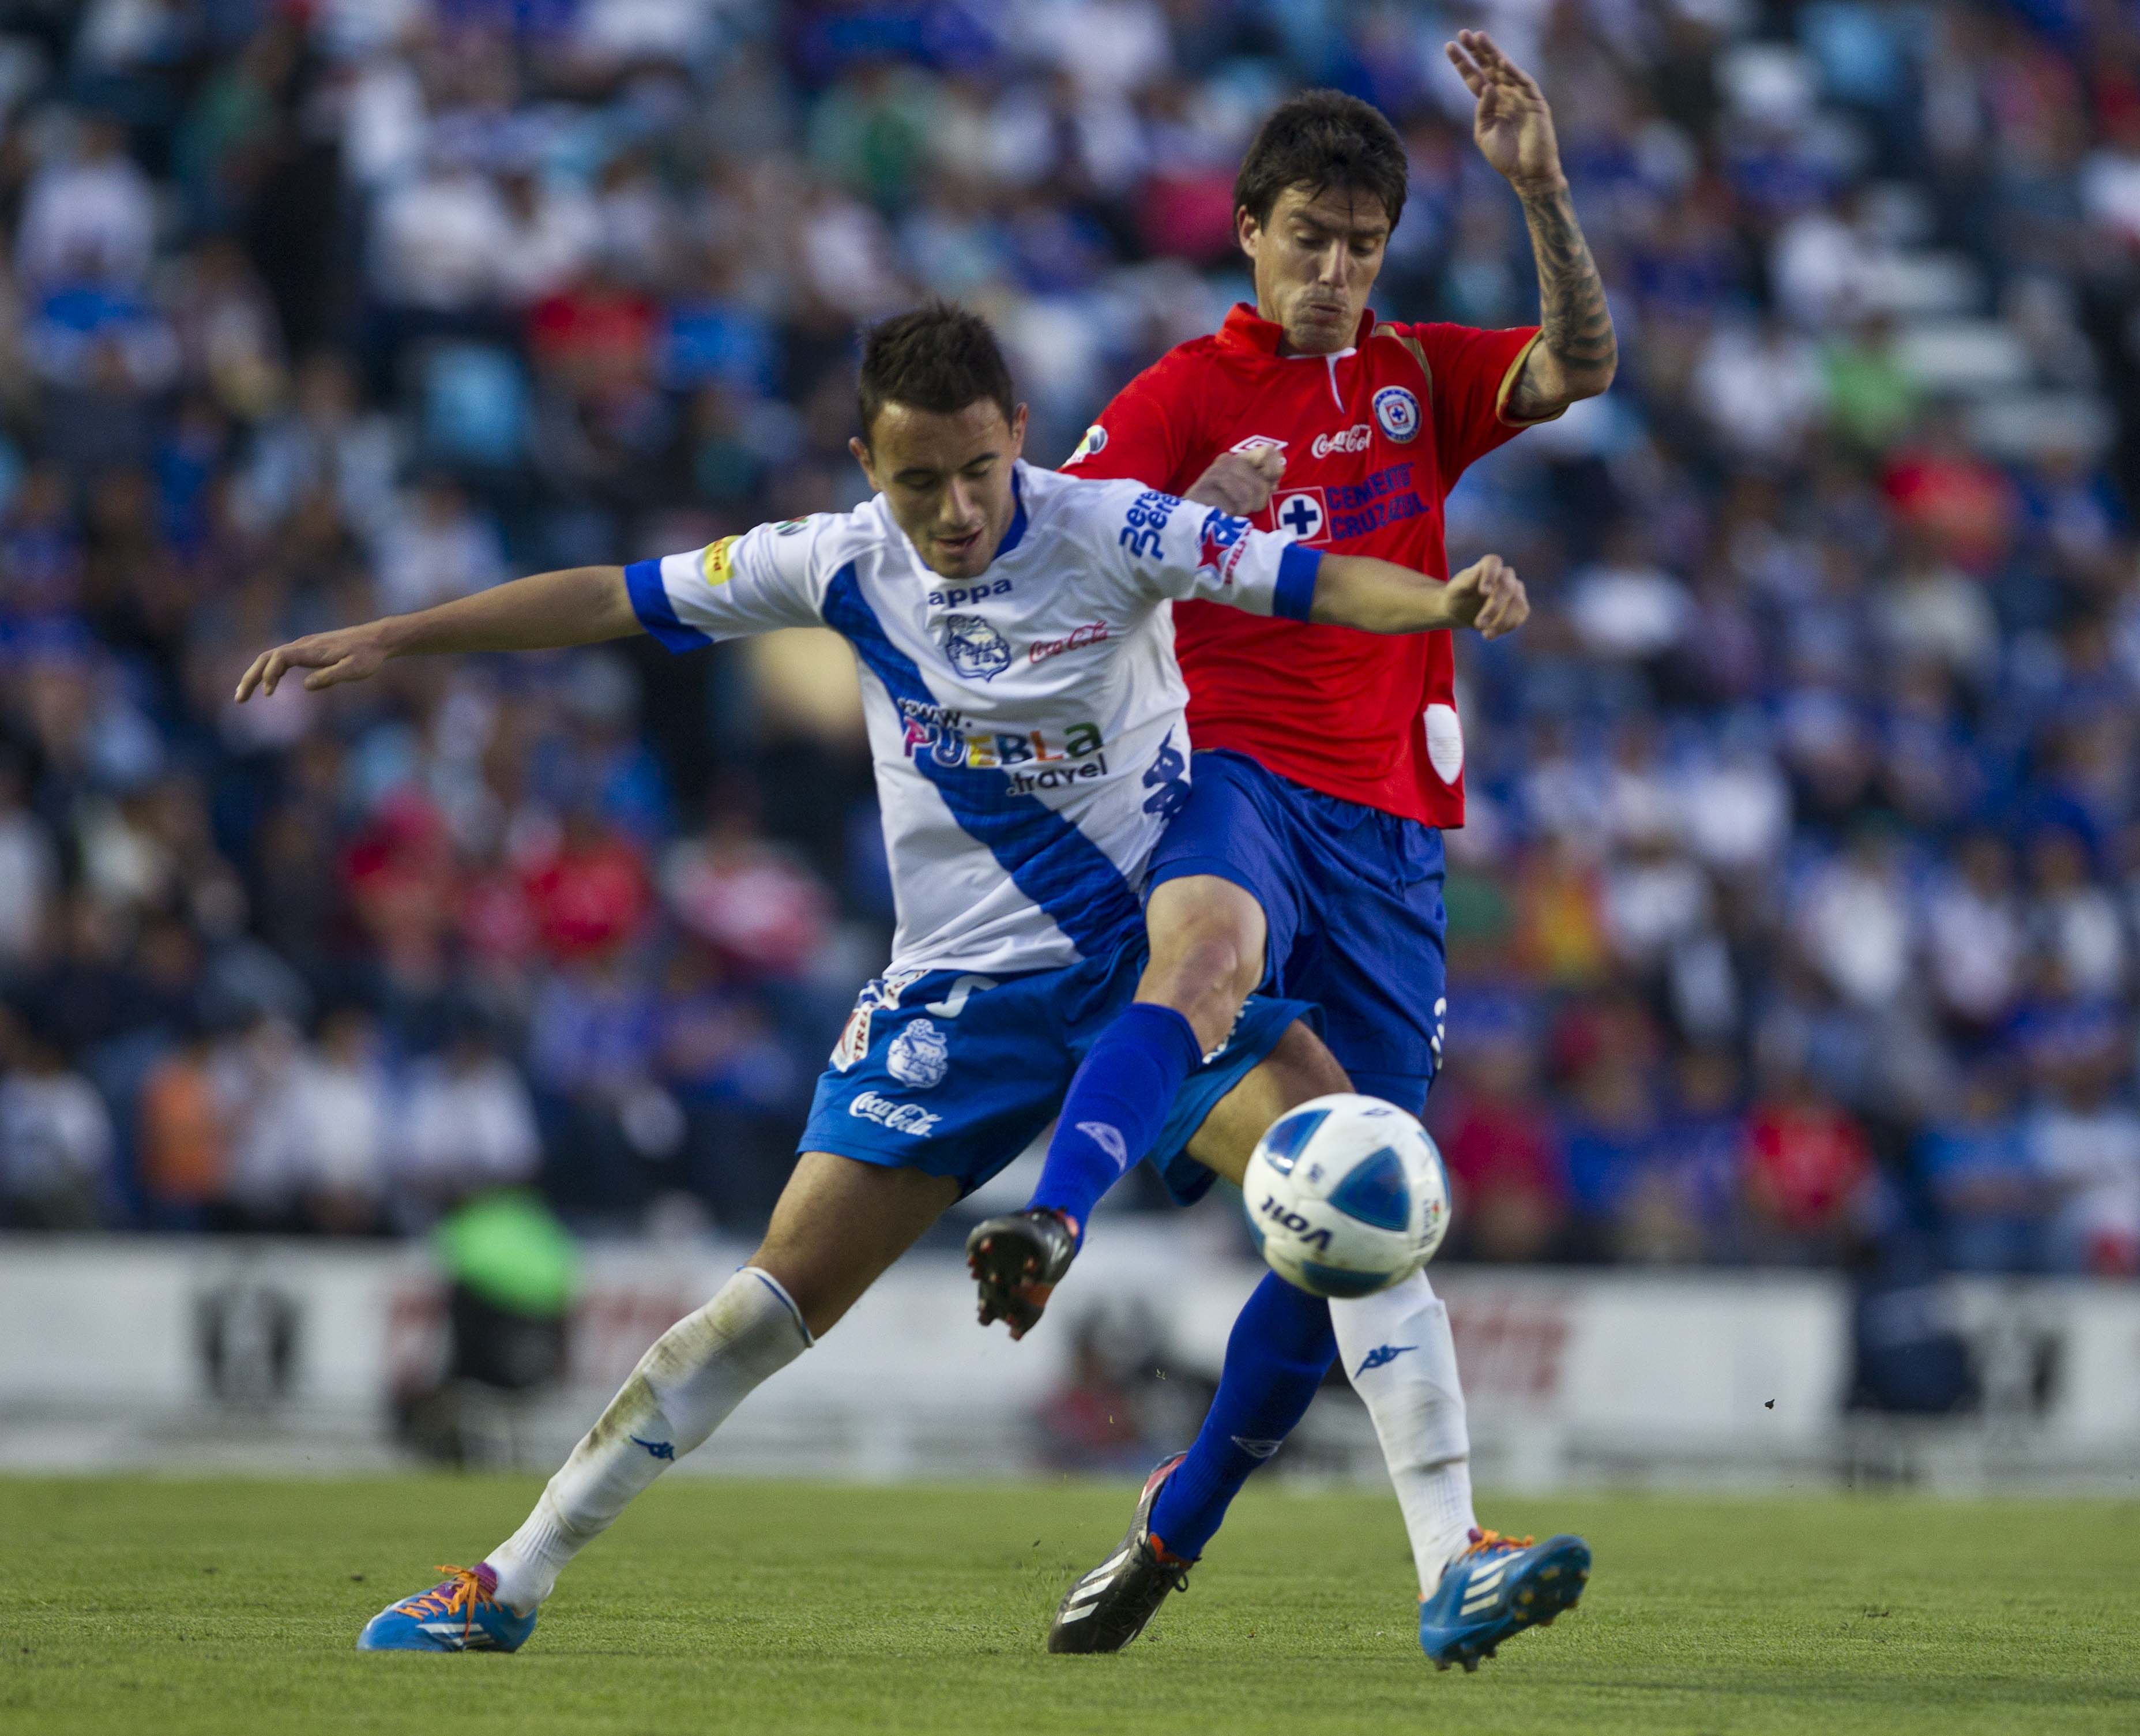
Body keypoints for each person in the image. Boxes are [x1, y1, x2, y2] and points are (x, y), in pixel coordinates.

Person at [232, 303, 1536, 1656]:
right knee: (766, 1301)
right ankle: (506, 1581)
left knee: (1355, 1165)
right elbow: (613, 596)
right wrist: (397, 636)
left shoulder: (1112, 526)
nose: (958, 508)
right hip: (960, 995)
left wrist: (1440, 601)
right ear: (868, 461)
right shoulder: (837, 564)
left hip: (1143, 966)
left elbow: (1317, 580)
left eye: (978, 471)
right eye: (920, 481)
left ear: (1018, 438)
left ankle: (1453, 1559)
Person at [965, 34, 1615, 1665]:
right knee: (1204, 956)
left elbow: (1581, 363)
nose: (1334, 273)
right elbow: (1050, 584)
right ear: (1247, 232)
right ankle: (1053, 1214)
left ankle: (1173, 1532)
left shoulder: (1415, 379)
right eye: (1307, 241)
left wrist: (1540, 191)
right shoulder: (1180, 396)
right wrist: (1190, 512)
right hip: (1232, 774)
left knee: (1365, 1218)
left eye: (1362, 247)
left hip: (1394, 829)